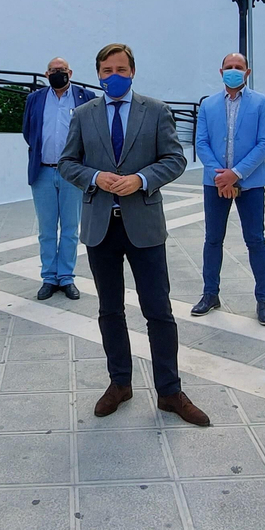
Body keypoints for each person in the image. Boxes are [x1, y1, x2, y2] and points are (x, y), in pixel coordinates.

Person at [58, 43, 209, 426]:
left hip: (144, 226)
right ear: (98, 74)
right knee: (110, 310)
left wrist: (141, 179)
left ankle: (170, 391)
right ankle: (119, 383)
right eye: (106, 70)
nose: (114, 76)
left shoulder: (155, 111)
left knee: (158, 310)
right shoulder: (83, 114)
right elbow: (67, 162)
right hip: (100, 227)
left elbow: (175, 159)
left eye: (121, 69)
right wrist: (95, 177)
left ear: (133, 71)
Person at [192, 52, 265, 324]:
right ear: (221, 71)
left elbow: (264, 143)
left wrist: (236, 174)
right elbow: (201, 142)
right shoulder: (209, 105)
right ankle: (210, 293)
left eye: (238, 67)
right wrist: (221, 175)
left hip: (250, 183)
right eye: (229, 67)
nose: (233, 71)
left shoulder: (262, 103)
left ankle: (264, 300)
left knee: (255, 240)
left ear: (247, 72)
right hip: (215, 182)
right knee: (212, 239)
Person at [22, 56, 96, 300]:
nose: (57, 73)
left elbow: (92, 133)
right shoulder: (35, 99)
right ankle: (48, 277)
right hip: (43, 171)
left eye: (61, 70)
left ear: (70, 72)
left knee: (71, 228)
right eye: (53, 70)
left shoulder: (85, 98)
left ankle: (66, 277)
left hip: (72, 172)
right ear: (46, 74)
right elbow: (28, 131)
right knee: (46, 229)